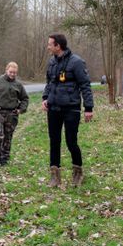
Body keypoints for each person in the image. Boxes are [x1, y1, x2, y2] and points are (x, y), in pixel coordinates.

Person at [42, 34, 94, 188]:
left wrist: (88, 108)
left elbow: (85, 85)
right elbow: (49, 83)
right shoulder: (51, 62)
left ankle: (78, 172)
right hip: (54, 108)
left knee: (71, 142)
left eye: (50, 44)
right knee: (54, 141)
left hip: (71, 108)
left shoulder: (76, 62)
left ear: (58, 46)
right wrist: (45, 98)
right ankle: (55, 176)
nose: (48, 47)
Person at [0, 62, 29, 167]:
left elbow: (25, 98)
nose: (12, 74)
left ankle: (5, 157)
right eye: (11, 72)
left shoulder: (18, 85)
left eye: (14, 73)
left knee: (8, 136)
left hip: (11, 113)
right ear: (6, 70)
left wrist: (21, 109)